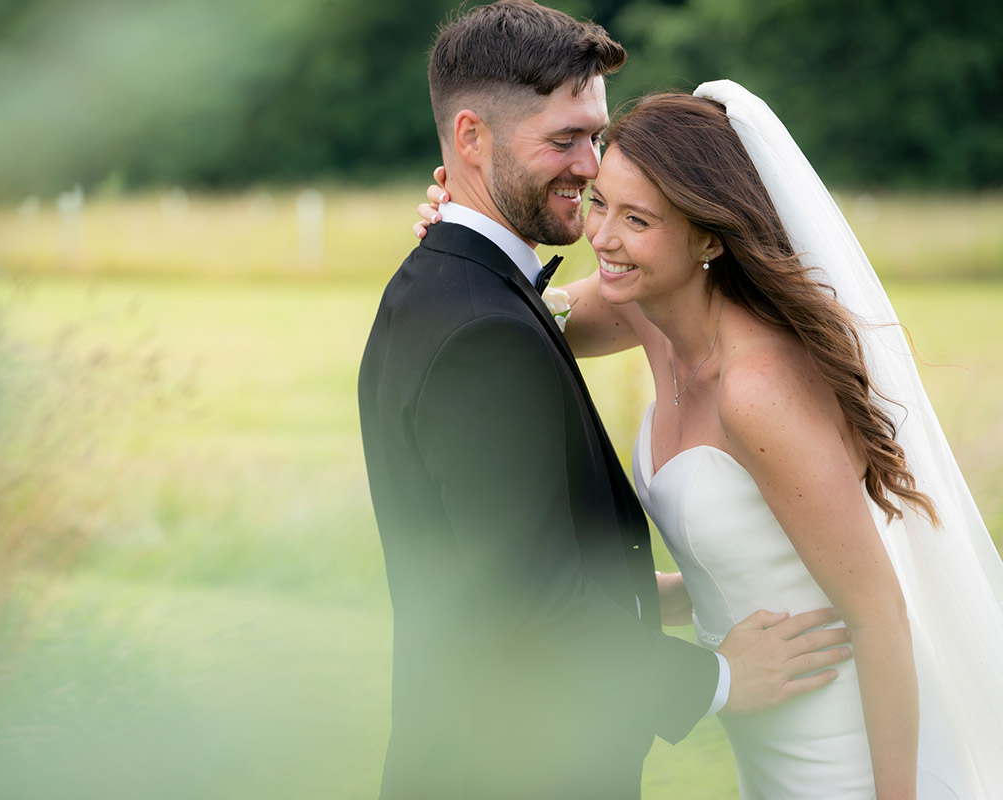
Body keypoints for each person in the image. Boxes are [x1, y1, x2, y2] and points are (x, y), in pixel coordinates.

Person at [414, 80, 1003, 797]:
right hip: (765, 749)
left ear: (709, 238)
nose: (603, 237)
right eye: (601, 203)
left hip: (843, 752)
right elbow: (518, 320)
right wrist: (465, 245)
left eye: (639, 219)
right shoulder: (644, 309)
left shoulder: (757, 392)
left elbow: (880, 615)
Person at [359, 3, 853, 798]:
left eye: (594, 135)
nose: (592, 165)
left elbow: (511, 565)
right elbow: (533, 608)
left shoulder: (443, 288)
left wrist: (711, 582)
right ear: (471, 138)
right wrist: (720, 680)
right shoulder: (482, 334)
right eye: (563, 140)